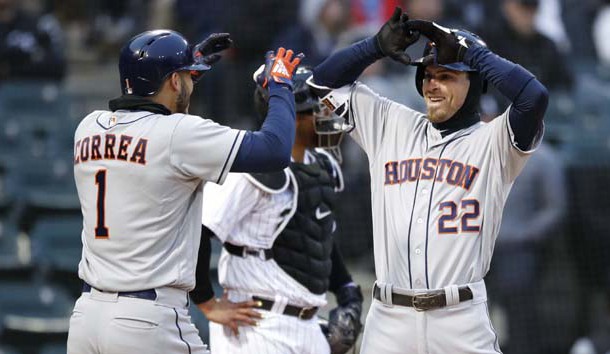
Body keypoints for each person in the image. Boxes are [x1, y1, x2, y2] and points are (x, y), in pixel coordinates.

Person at [306, 8, 548, 353]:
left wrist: (473, 53)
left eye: (447, 76)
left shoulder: (495, 142)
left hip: (459, 318)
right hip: (389, 317)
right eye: (428, 75)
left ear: (475, 83)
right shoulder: (390, 123)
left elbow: (533, 97)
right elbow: (320, 84)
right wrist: (375, 46)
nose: (433, 84)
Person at [67, 29, 303, 354]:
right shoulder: (179, 135)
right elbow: (275, 150)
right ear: (175, 82)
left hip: (86, 318)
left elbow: (153, 113)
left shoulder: (88, 127)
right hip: (147, 321)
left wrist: (183, 68)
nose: (191, 82)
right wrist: (280, 86)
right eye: (186, 77)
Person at [189, 67, 363, 354]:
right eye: (315, 110)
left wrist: (346, 290)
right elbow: (197, 230)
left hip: (308, 325)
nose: (324, 116)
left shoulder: (322, 165)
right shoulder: (249, 167)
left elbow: (318, 239)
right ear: (292, 118)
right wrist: (207, 302)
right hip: (256, 324)